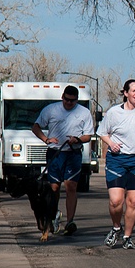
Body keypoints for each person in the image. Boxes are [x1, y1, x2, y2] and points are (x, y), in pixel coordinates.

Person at [97, 79, 135, 250]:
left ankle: (127, 237)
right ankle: (116, 227)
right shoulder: (114, 113)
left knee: (132, 201)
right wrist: (111, 143)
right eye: (133, 91)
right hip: (117, 160)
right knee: (116, 201)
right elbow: (102, 132)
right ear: (125, 93)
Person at [32, 85, 95, 236]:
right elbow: (35, 127)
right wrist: (46, 139)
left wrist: (78, 139)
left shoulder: (84, 113)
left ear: (77, 100)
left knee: (71, 186)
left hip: (73, 153)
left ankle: (70, 221)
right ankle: (54, 215)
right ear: (62, 97)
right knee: (54, 188)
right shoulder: (51, 110)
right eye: (66, 99)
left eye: (72, 101)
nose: (69, 103)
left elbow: (88, 136)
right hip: (55, 153)